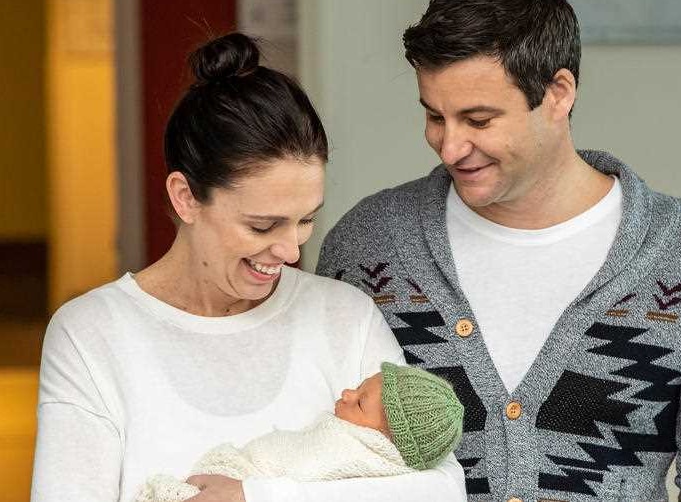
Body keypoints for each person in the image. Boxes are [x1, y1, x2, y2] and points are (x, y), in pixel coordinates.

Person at [316, 0, 681, 501]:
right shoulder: (367, 247)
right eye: (434, 116)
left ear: (558, 94)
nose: (450, 147)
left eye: (479, 119)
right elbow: (320, 451)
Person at [31, 33, 466, 502]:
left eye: (305, 220)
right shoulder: (91, 335)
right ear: (185, 198)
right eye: (262, 226)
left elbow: (440, 490)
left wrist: (255, 496)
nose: (291, 252)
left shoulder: (345, 316)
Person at [135, 363, 464, 502]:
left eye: (360, 403)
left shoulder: (353, 452)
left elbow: (303, 467)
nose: (347, 393)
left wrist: (252, 491)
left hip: (247, 475)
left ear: (386, 440)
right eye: (359, 387)